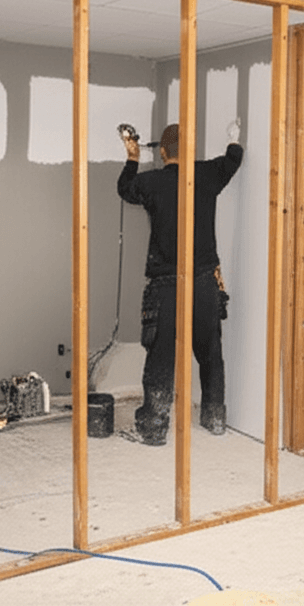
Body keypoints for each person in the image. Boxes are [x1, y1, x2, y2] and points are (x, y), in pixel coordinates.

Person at [117, 122, 243, 446]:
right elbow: (233, 159)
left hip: (166, 285)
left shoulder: (152, 182)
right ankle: (214, 419)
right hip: (204, 283)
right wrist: (233, 137)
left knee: (161, 356)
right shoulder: (207, 174)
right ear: (190, 151)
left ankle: (154, 427)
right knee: (211, 352)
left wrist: (132, 156)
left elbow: (124, 188)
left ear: (161, 152)